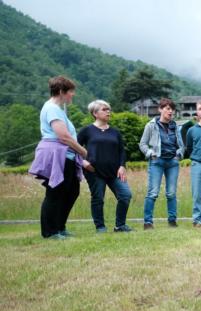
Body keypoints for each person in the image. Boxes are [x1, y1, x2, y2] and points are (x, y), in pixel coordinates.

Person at [29, 76, 88, 239]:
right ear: (61, 92)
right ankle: (50, 232)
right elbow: (64, 136)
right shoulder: (52, 108)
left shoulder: (57, 109)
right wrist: (83, 151)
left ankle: (59, 227)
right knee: (55, 193)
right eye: (70, 92)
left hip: (66, 155)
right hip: (58, 155)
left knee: (71, 192)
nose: (72, 95)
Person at [77, 100, 132, 233]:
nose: (108, 112)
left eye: (109, 109)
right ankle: (100, 227)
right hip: (94, 172)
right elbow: (74, 148)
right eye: (105, 109)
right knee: (98, 199)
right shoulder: (87, 130)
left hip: (115, 172)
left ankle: (120, 226)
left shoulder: (115, 132)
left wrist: (122, 166)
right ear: (95, 113)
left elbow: (121, 151)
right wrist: (83, 162)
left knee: (125, 195)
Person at [139, 98, 184, 229]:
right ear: (160, 109)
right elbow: (142, 144)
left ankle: (172, 221)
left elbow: (181, 145)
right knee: (153, 192)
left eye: (172, 109)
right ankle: (148, 222)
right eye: (167, 108)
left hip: (172, 163)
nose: (170, 112)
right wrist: (150, 153)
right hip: (156, 162)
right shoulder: (151, 125)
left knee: (171, 193)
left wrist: (178, 155)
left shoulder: (176, 126)